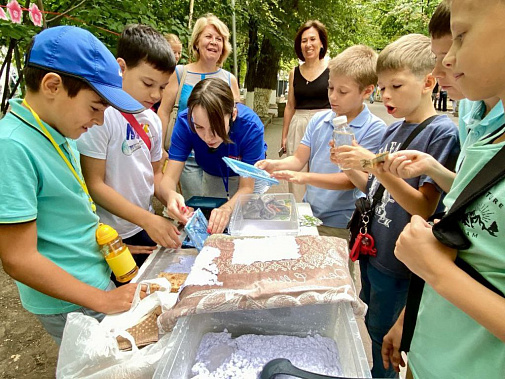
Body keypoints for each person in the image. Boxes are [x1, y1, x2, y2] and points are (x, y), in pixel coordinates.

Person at [0, 26, 150, 345]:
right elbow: (17, 258)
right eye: (95, 108)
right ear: (53, 85)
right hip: (72, 301)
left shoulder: (58, 128)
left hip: (93, 279)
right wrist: (102, 301)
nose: (98, 121)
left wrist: (113, 250)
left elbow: (69, 213)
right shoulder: (11, 146)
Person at [380, 1, 505, 377]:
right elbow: (464, 228)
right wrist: (410, 317)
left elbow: (442, 255)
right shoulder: (484, 133)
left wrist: (435, 271)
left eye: (461, 37)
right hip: (430, 355)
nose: (444, 63)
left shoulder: (449, 128)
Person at [333, 34, 459, 378]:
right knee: (374, 329)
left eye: (395, 86)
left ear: (427, 82)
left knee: (390, 344)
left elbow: (423, 206)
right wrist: (353, 166)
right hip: (377, 255)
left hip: (402, 266)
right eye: (382, 87)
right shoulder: (395, 130)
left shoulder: (442, 134)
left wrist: (373, 164)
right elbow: (376, 189)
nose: (385, 95)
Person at [77, 24, 181, 274]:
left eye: (163, 87)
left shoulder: (152, 120)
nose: (156, 94)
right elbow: (94, 184)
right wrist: (148, 219)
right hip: (109, 235)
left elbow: (154, 175)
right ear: (121, 68)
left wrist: (170, 196)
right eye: (148, 83)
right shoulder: (99, 116)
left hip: (143, 227)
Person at [257, 45, 386, 240]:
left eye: (342, 92)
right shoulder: (320, 120)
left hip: (341, 222)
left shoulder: (374, 129)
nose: (332, 97)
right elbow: (298, 159)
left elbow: (352, 181)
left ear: (367, 91)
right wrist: (273, 164)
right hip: (309, 214)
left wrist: (304, 178)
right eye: (330, 87)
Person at [159, 78, 266, 234]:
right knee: (215, 222)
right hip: (213, 170)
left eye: (216, 128)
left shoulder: (251, 127)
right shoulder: (184, 122)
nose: (208, 138)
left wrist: (228, 208)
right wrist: (170, 195)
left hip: (250, 176)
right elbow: (168, 179)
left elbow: (247, 187)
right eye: (199, 127)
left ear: (233, 114)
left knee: (248, 223)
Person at [158, 14, 240, 200]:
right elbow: (163, 111)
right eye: (208, 36)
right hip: (186, 158)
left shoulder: (229, 79)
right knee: (195, 207)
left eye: (219, 39)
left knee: (219, 207)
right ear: (196, 41)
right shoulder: (180, 73)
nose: (213, 42)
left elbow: (236, 121)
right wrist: (159, 148)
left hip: (219, 157)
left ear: (224, 46)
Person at [281, 20, 331, 202]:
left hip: (325, 126)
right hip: (299, 125)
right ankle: (300, 217)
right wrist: (284, 135)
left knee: (322, 171)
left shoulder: (333, 69)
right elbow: (290, 106)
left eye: (312, 39)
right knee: (296, 175)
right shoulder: (294, 72)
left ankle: (320, 216)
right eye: (304, 41)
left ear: (321, 43)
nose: (308, 45)